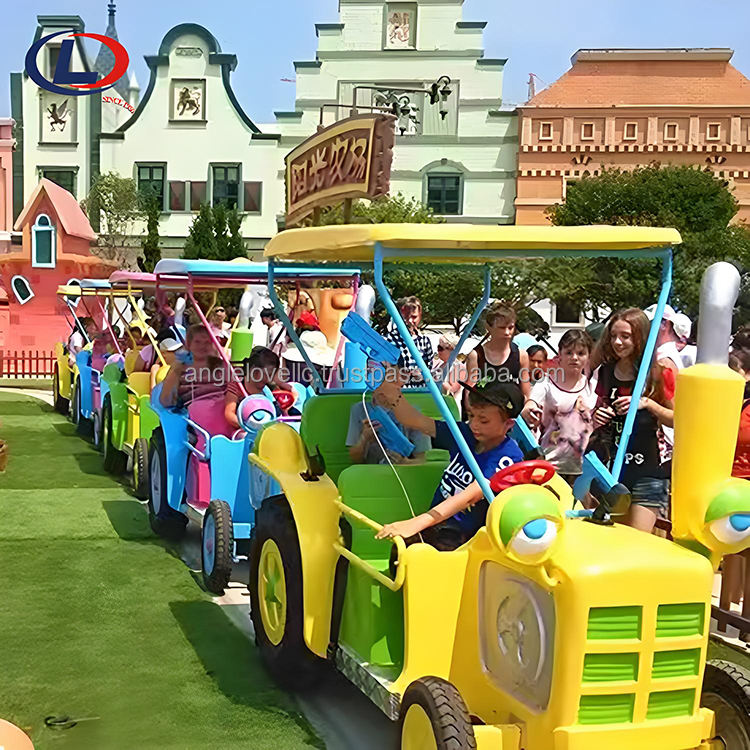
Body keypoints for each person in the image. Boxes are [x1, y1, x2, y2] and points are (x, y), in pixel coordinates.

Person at [375, 379, 524, 549]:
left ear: (508, 424)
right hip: (438, 524)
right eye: (471, 415)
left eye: (483, 421)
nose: (474, 425)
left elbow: (470, 496)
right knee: (401, 548)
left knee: (428, 554)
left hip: (469, 538)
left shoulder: (508, 456)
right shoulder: (465, 434)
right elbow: (414, 420)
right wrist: (394, 395)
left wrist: (416, 523)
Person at [588, 308, 676, 532]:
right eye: (613, 336)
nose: (617, 342)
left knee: (638, 540)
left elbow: (678, 420)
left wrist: (647, 404)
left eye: (625, 336)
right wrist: (598, 415)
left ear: (640, 337)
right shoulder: (606, 371)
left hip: (649, 469)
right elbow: (597, 410)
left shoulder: (658, 374)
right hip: (613, 468)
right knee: (613, 537)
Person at [521, 330, 596, 482]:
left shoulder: (593, 385)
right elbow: (529, 404)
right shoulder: (546, 383)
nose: (574, 358)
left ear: (588, 356)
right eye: (569, 353)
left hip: (583, 470)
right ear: (559, 354)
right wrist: (529, 411)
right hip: (549, 465)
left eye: (581, 353)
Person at [346, 360, 431, 465]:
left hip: (401, 472)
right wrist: (364, 439)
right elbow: (355, 459)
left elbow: (423, 461)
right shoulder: (360, 409)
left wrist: (404, 462)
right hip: (371, 472)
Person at [463, 303, 532, 417]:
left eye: (510, 328)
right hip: (483, 413)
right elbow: (469, 391)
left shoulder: (521, 355)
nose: (507, 332)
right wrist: (475, 414)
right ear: (489, 327)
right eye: (501, 328)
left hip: (511, 415)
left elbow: (526, 393)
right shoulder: (476, 355)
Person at [224, 346, 292, 430]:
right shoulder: (237, 387)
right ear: (255, 372)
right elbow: (229, 414)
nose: (269, 379)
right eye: (268, 375)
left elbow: (281, 415)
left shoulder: (269, 390)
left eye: (271, 375)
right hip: (244, 430)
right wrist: (249, 426)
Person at [159, 324, 226, 408]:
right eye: (197, 342)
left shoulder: (221, 366)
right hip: (188, 410)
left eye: (206, 342)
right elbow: (166, 400)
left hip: (217, 408)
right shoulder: (180, 366)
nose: (202, 346)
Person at [384, 296, 434, 387]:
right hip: (399, 390)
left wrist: (421, 375)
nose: (410, 321)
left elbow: (430, 368)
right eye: (406, 317)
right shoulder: (390, 339)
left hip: (420, 390)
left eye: (414, 317)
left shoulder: (424, 341)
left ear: (420, 316)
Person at [432, 333, 466, 409]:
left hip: (451, 407)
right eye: (438, 347)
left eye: (440, 348)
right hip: (438, 405)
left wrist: (436, 379)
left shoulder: (458, 367)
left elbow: (453, 390)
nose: (438, 351)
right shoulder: (439, 364)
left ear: (451, 350)